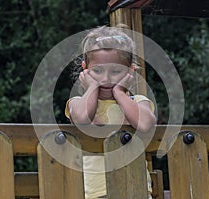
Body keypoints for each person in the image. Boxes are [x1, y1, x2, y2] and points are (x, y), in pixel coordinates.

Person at [65, 25, 156, 199]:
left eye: (115, 71)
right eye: (97, 71)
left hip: (135, 188)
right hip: (96, 192)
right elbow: (83, 118)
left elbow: (144, 124)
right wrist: (92, 87)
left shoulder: (137, 102)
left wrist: (119, 93)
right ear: (85, 69)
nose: (106, 79)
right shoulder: (76, 103)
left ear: (130, 70)